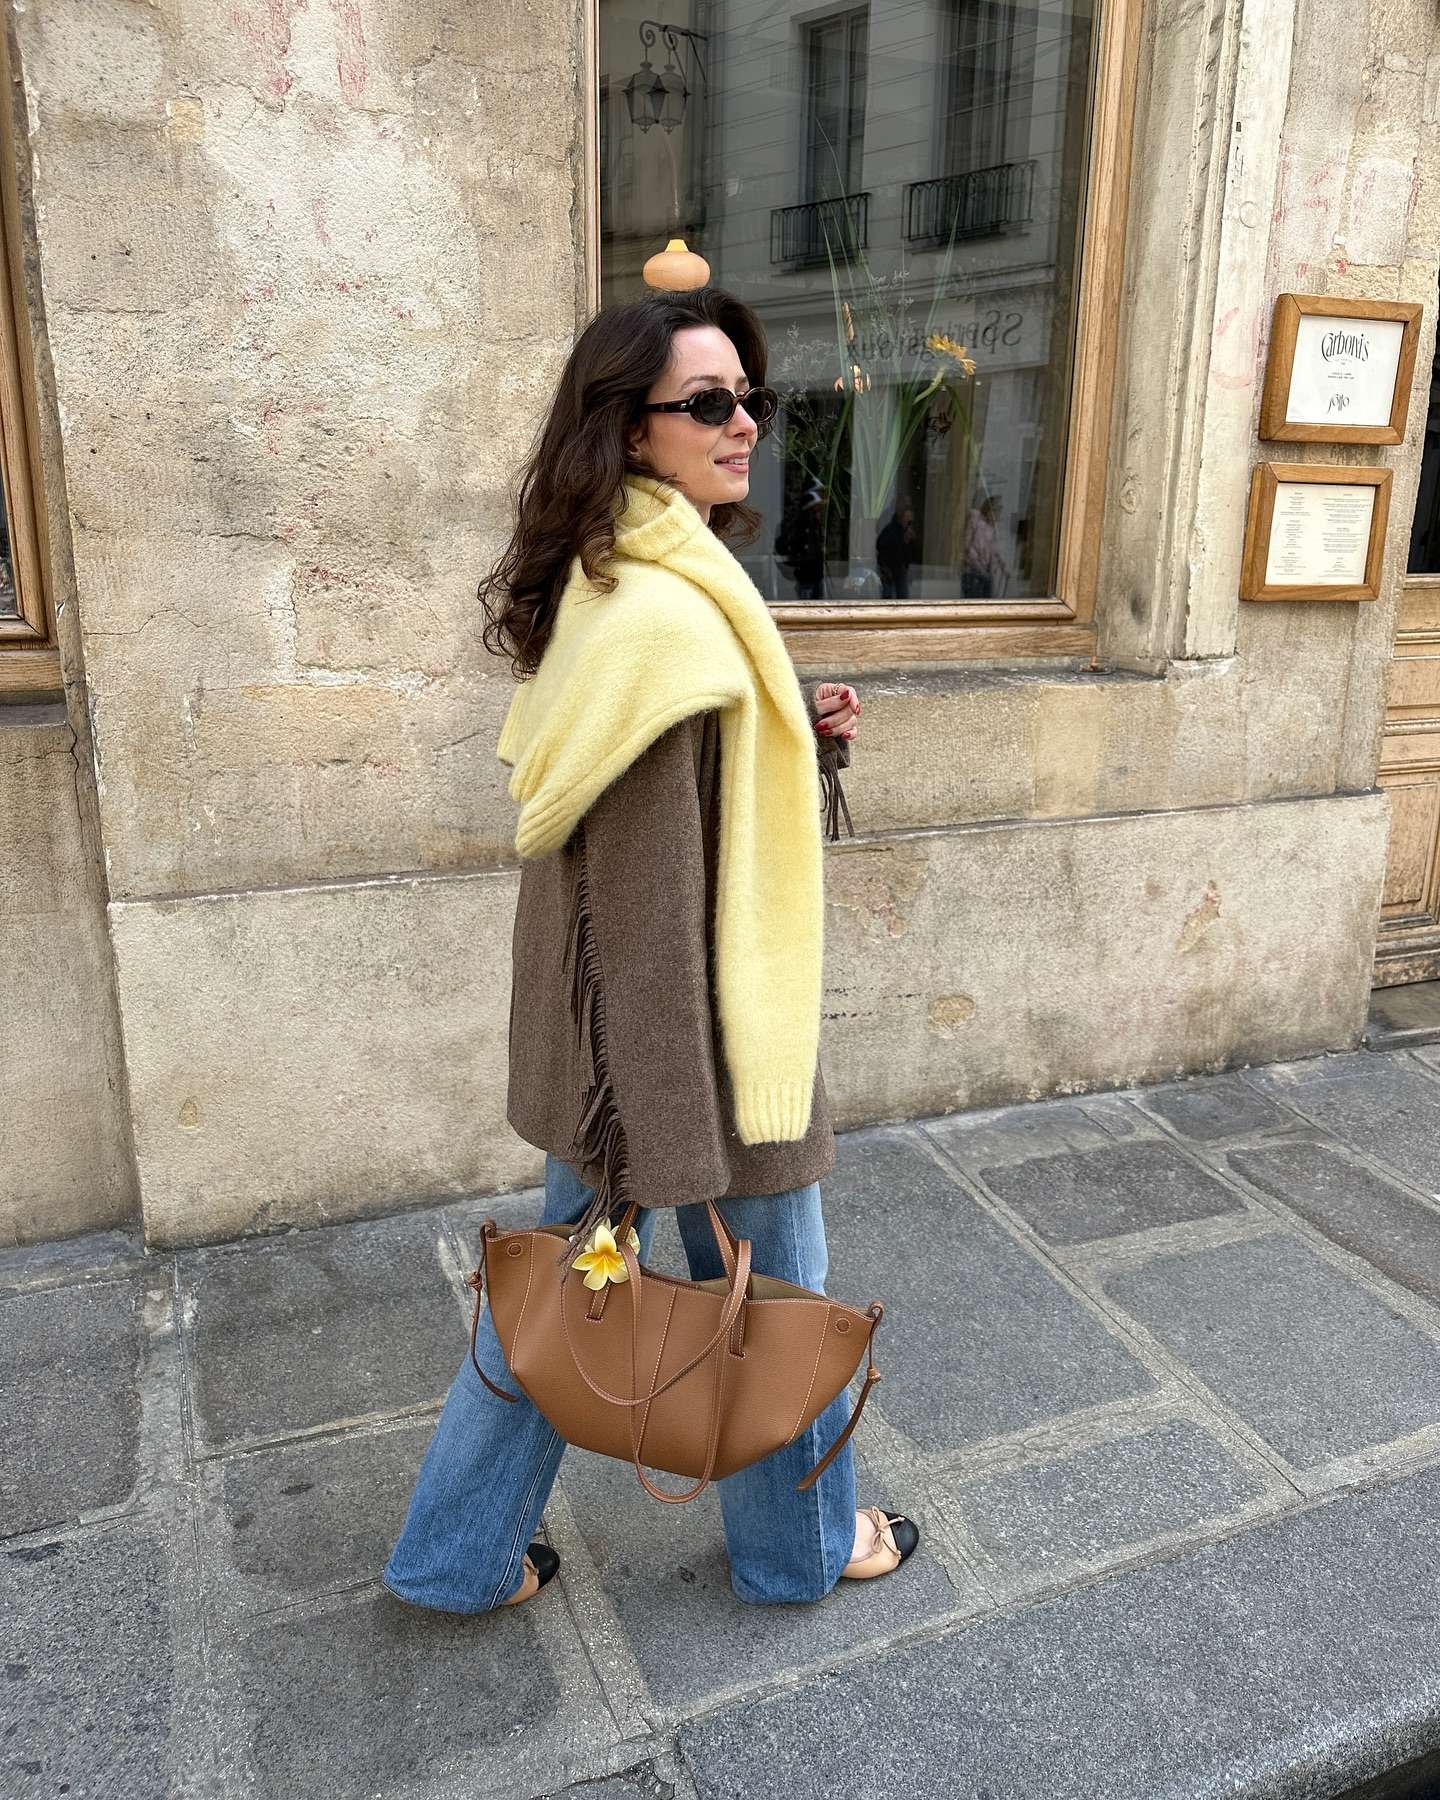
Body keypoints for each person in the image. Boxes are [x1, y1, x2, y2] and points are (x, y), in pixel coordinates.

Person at [382, 285, 919, 1614]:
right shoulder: (671, 621)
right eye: (708, 404)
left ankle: (455, 1560)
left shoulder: (619, 579)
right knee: (772, 1303)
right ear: (630, 431)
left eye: (750, 397)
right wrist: (663, 1153)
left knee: (566, 1301)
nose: (743, 424)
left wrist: (784, 722)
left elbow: (668, 806)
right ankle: (800, 1552)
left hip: (615, 1054)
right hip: (692, 1057)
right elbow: (640, 899)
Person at [962, 494, 1010, 598]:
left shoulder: (991, 529)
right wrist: (979, 567)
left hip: (985, 572)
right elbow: (968, 547)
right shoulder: (977, 522)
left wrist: (1003, 565)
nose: (999, 514)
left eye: (1000, 511)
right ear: (989, 510)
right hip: (973, 572)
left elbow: (994, 549)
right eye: (997, 510)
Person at [876, 500, 917, 599]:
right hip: (889, 569)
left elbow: (910, 554)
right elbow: (882, 547)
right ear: (901, 518)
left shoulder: (906, 532)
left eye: (910, 519)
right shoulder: (891, 530)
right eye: (907, 518)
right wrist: (884, 568)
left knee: (902, 596)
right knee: (888, 597)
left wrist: (908, 542)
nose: (908, 521)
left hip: (901, 569)